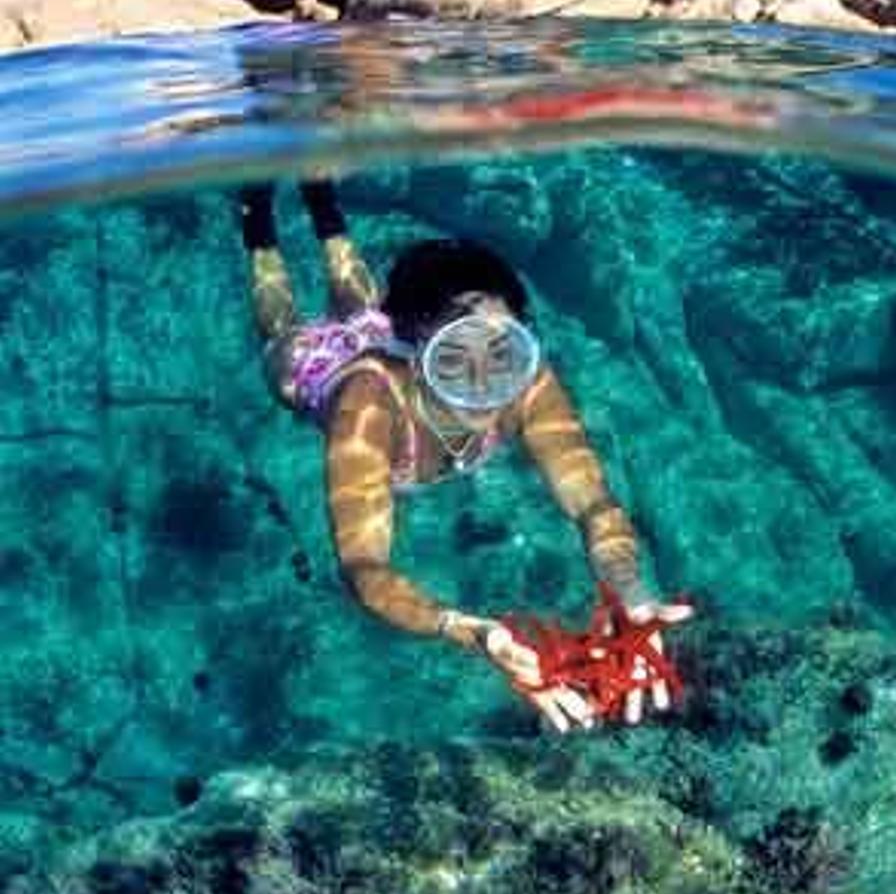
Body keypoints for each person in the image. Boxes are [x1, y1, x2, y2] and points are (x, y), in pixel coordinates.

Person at [238, 179, 692, 732]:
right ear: (414, 346)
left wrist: (629, 584)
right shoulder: (367, 410)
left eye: (502, 348)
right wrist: (462, 628)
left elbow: (592, 503)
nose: (488, 383)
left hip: (392, 331)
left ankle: (324, 207)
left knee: (355, 297)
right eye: (458, 356)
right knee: (282, 331)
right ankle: (258, 222)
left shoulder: (526, 379)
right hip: (316, 366)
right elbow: (364, 568)